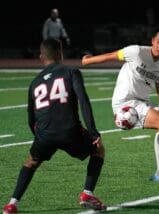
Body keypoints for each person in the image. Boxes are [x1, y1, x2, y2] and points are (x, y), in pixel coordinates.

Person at [2, 38, 106, 214]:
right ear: (60, 53)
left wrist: (40, 138)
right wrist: (93, 131)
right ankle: (87, 193)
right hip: (70, 132)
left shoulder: (34, 82)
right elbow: (83, 101)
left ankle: (12, 204)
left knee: (31, 161)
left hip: (44, 134)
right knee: (98, 149)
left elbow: (31, 118)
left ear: (41, 57)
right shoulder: (71, 72)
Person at [82, 26, 159, 182]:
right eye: (158, 42)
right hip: (126, 102)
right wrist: (87, 60)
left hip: (143, 101)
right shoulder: (136, 52)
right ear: (152, 41)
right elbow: (112, 55)